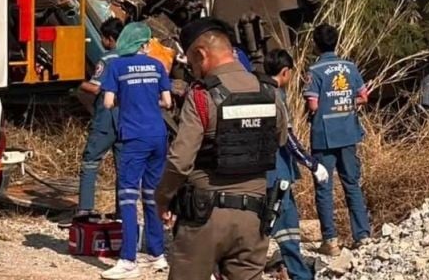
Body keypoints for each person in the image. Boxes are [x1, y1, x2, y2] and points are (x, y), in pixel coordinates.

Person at [155, 17, 287, 280]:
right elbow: (280, 139)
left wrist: (163, 198)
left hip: (204, 216)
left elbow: (180, 160)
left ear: (201, 54)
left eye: (192, 63)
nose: (193, 70)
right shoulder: (269, 91)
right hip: (254, 218)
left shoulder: (202, 96)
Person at [100, 22, 172, 279]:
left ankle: (128, 260)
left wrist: (126, 99)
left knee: (128, 198)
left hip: (133, 137)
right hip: (158, 136)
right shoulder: (157, 65)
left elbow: (108, 103)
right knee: (152, 195)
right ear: (144, 44)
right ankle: (158, 255)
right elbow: (167, 101)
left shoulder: (116, 66)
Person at [303, 24, 371, 255]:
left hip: (324, 137)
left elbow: (313, 104)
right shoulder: (350, 67)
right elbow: (363, 96)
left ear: (316, 44)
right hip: (348, 133)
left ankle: (330, 240)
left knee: (324, 187)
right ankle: (362, 235)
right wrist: (348, 103)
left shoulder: (315, 70)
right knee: (352, 184)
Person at [264, 49, 329, 280]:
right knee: (286, 223)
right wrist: (312, 164)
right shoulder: (276, 95)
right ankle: (300, 274)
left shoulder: (256, 89)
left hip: (259, 172)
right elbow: (288, 138)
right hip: (277, 172)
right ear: (285, 72)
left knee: (265, 223)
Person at [75, 17, 125, 219]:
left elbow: (96, 88)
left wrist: (76, 82)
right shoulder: (132, 58)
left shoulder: (108, 59)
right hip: (127, 118)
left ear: (109, 39)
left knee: (90, 161)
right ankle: (123, 212)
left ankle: (85, 208)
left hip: (106, 118)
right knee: (124, 167)